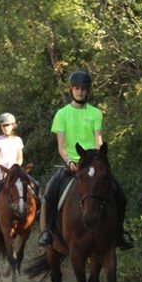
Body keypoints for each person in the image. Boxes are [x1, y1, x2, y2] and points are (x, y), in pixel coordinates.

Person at [37, 71, 134, 250]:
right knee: (50, 192)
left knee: (119, 193)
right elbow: (61, 145)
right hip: (72, 163)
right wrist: (68, 161)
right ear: (71, 90)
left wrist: (100, 159)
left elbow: (98, 139)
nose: (80, 92)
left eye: (83, 89)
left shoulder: (96, 113)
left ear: (88, 91)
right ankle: (47, 232)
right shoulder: (62, 114)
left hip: (92, 163)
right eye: (77, 88)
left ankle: (120, 233)